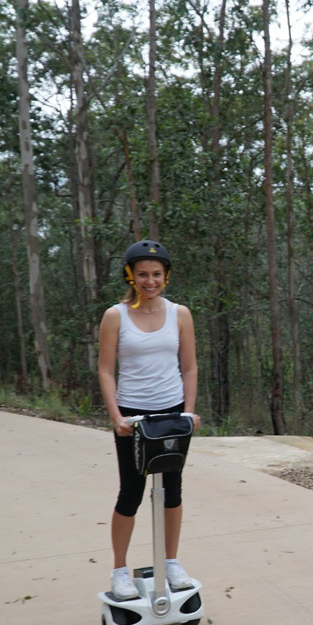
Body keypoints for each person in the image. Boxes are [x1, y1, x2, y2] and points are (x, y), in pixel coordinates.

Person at [98, 239, 201, 601]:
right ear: (130, 276)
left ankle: (171, 563)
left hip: (172, 412)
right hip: (132, 414)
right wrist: (115, 416)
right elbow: (106, 370)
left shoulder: (180, 314)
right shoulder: (115, 316)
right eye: (142, 274)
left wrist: (188, 411)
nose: (150, 281)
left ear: (166, 276)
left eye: (156, 274)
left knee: (172, 490)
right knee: (131, 492)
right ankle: (119, 571)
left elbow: (189, 366)